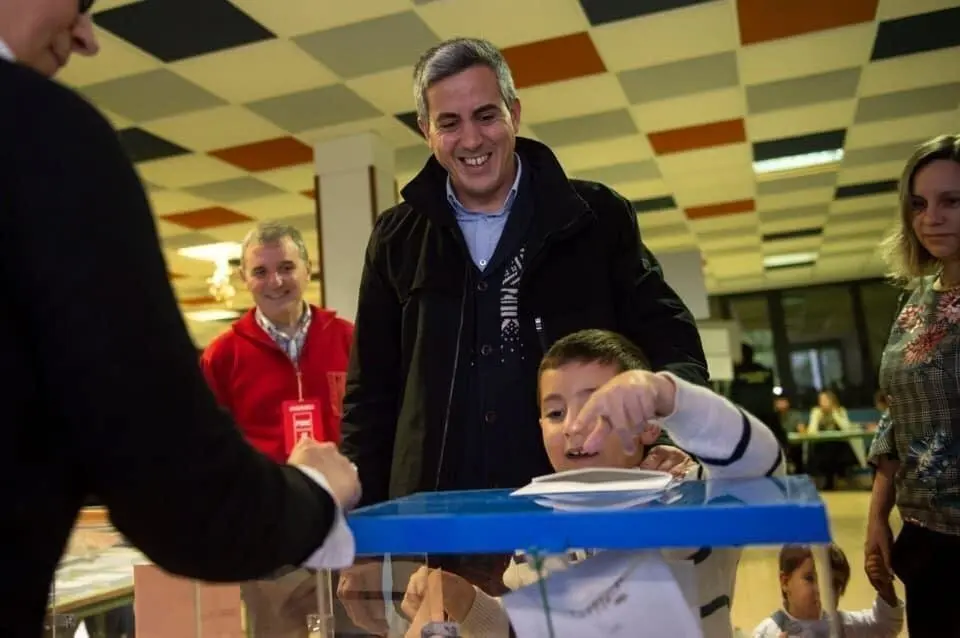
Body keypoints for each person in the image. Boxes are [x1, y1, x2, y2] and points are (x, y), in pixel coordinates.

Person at [0, 1, 361, 635]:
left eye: (287, 268)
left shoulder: (348, 338)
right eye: (81, 4)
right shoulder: (40, 134)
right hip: (272, 530)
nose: (87, 37)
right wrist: (313, 493)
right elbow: (179, 487)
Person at [401, 329, 784, 638]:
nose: (573, 426)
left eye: (595, 404)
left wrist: (669, 398)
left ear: (650, 423)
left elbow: (761, 470)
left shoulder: (688, 497)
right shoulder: (530, 527)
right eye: (555, 412)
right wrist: (466, 600)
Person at [867, 133, 960, 637]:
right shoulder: (918, 300)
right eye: (919, 204)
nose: (931, 217)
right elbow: (899, 414)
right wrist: (878, 516)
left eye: (952, 201)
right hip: (924, 540)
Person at [201, 222, 354, 462]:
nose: (276, 282)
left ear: (307, 270)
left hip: (348, 493)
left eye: (286, 268)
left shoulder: (349, 339)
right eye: (260, 272)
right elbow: (210, 443)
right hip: (265, 496)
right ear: (244, 278)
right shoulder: (221, 356)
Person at [751, 544, 903, 637]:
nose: (822, 589)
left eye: (834, 583)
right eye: (810, 578)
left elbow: (885, 626)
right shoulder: (767, 632)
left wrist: (885, 588)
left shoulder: (843, 625)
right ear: (785, 582)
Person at [730, 343, 786, 449]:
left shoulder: (736, 373)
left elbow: (734, 396)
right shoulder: (765, 371)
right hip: (767, 416)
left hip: (748, 418)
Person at [807, 390, 863, 490]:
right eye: (820, 400)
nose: (822, 402)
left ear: (832, 400)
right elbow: (812, 431)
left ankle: (839, 479)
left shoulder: (841, 411)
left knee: (836, 449)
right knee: (823, 451)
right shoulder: (816, 412)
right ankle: (829, 481)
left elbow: (846, 429)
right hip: (822, 445)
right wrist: (816, 417)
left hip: (839, 445)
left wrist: (835, 413)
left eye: (825, 400)